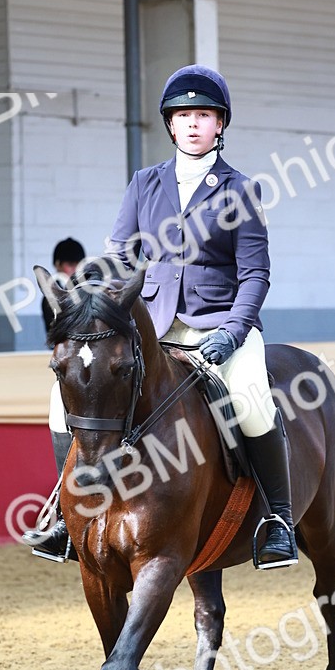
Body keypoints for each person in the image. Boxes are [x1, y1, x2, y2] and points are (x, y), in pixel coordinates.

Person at [30, 64, 298, 569]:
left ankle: (275, 520)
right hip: (150, 326)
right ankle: (68, 517)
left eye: (203, 115)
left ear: (220, 124)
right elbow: (118, 256)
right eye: (183, 116)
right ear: (170, 125)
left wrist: (234, 333)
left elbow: (256, 275)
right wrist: (95, 304)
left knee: (250, 398)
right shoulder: (144, 183)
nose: (193, 124)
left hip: (219, 326)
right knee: (58, 395)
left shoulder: (241, 190)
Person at [42, 238, 86, 340]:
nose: (75, 270)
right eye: (70, 265)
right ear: (58, 265)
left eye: (78, 265)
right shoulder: (50, 297)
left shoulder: (88, 290)